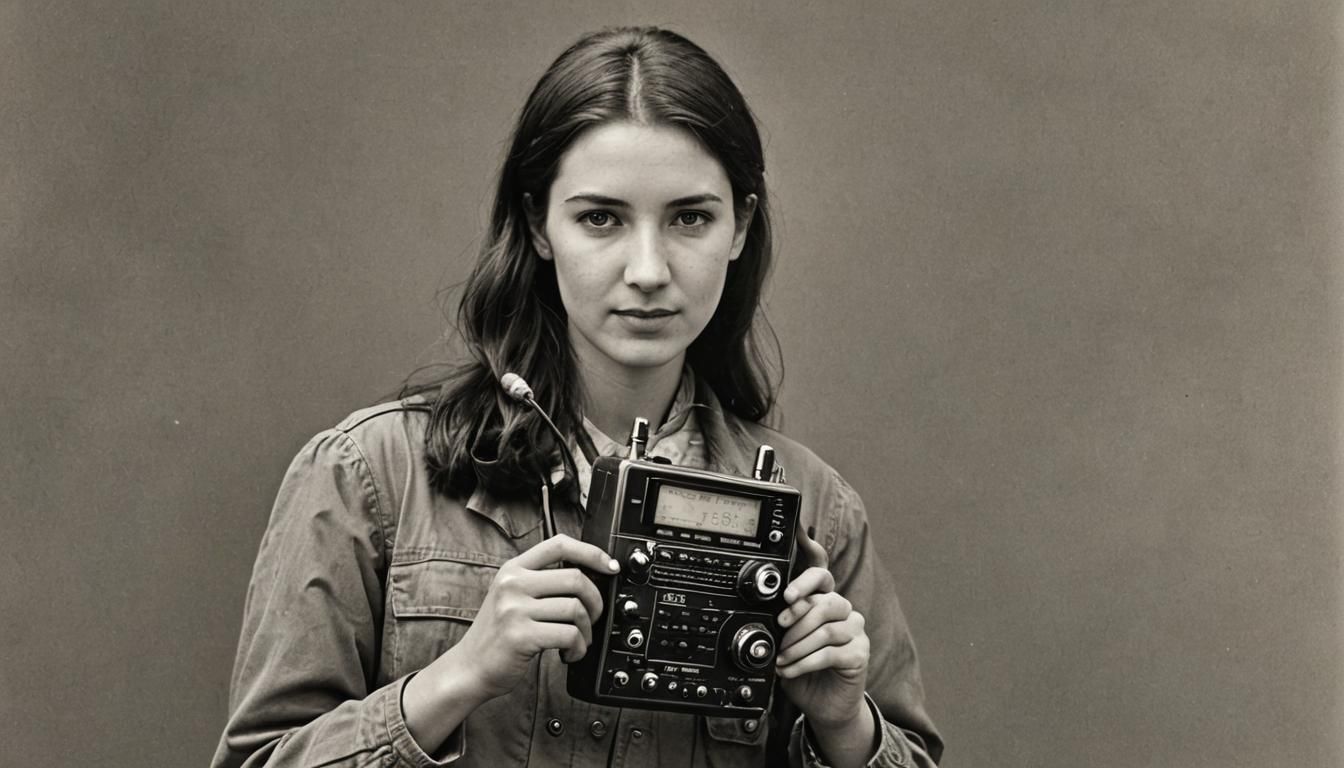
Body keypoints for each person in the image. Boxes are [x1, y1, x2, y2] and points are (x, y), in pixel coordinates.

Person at [213, 26, 942, 768]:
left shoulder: (816, 511)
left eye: (691, 217)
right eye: (601, 219)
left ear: (740, 227)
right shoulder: (369, 476)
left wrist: (846, 728)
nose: (649, 269)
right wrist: (454, 680)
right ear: (538, 226)